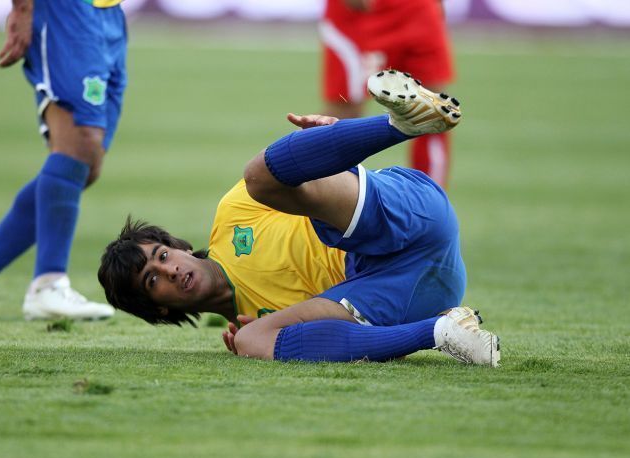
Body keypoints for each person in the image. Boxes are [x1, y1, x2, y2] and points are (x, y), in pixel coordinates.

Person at [98, 70, 499, 366]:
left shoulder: (233, 213)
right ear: (159, 310)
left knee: (259, 177)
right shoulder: (254, 327)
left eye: (162, 256)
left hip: (405, 216)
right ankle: (444, 332)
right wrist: (267, 338)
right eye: (152, 280)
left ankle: (400, 125)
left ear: (180, 247)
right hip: (420, 293)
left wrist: (323, 145)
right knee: (254, 340)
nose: (168, 270)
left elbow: (295, 180)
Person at [0, 0, 128, 320]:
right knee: (79, 144)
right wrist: (23, 10)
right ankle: (48, 284)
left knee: (84, 166)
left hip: (109, 13)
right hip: (65, 11)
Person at [320, 0, 455, 187]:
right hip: (362, 13)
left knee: (433, 111)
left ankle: (430, 198)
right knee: (343, 112)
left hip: (419, 9)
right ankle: (305, 187)